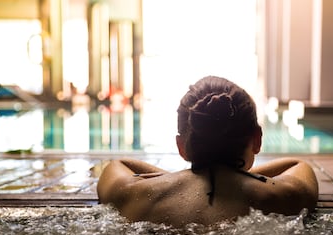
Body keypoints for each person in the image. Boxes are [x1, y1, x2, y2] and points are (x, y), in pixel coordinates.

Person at [97, 76, 318, 227]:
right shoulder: (285, 196)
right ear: (257, 140)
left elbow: (117, 165)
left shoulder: (131, 194)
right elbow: (298, 165)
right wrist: (239, 176)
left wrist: (174, 178)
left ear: (181, 147)